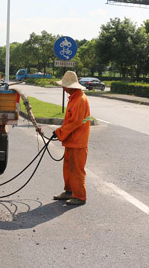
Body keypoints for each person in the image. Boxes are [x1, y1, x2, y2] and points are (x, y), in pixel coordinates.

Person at [50, 71, 92, 205]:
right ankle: (69, 191)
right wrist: (61, 132)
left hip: (78, 142)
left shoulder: (80, 100)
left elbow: (75, 122)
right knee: (68, 168)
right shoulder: (74, 98)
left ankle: (80, 196)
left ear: (71, 86)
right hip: (71, 140)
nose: (63, 88)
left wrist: (60, 132)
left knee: (76, 170)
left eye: (64, 86)